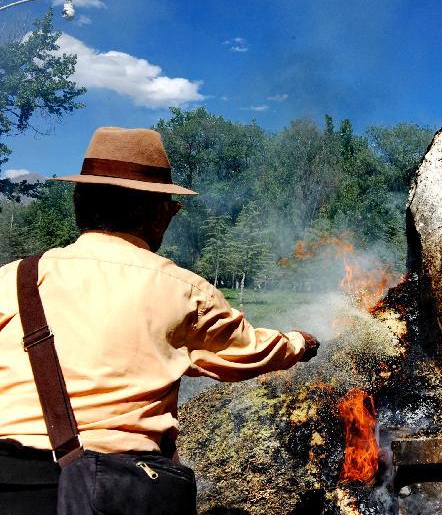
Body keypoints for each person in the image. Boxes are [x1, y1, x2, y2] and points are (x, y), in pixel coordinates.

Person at [0, 127, 320, 513]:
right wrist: (300, 343)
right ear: (153, 212)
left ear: (79, 202)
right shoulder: (179, 289)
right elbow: (246, 352)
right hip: (120, 488)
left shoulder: (12, 278)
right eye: (170, 207)